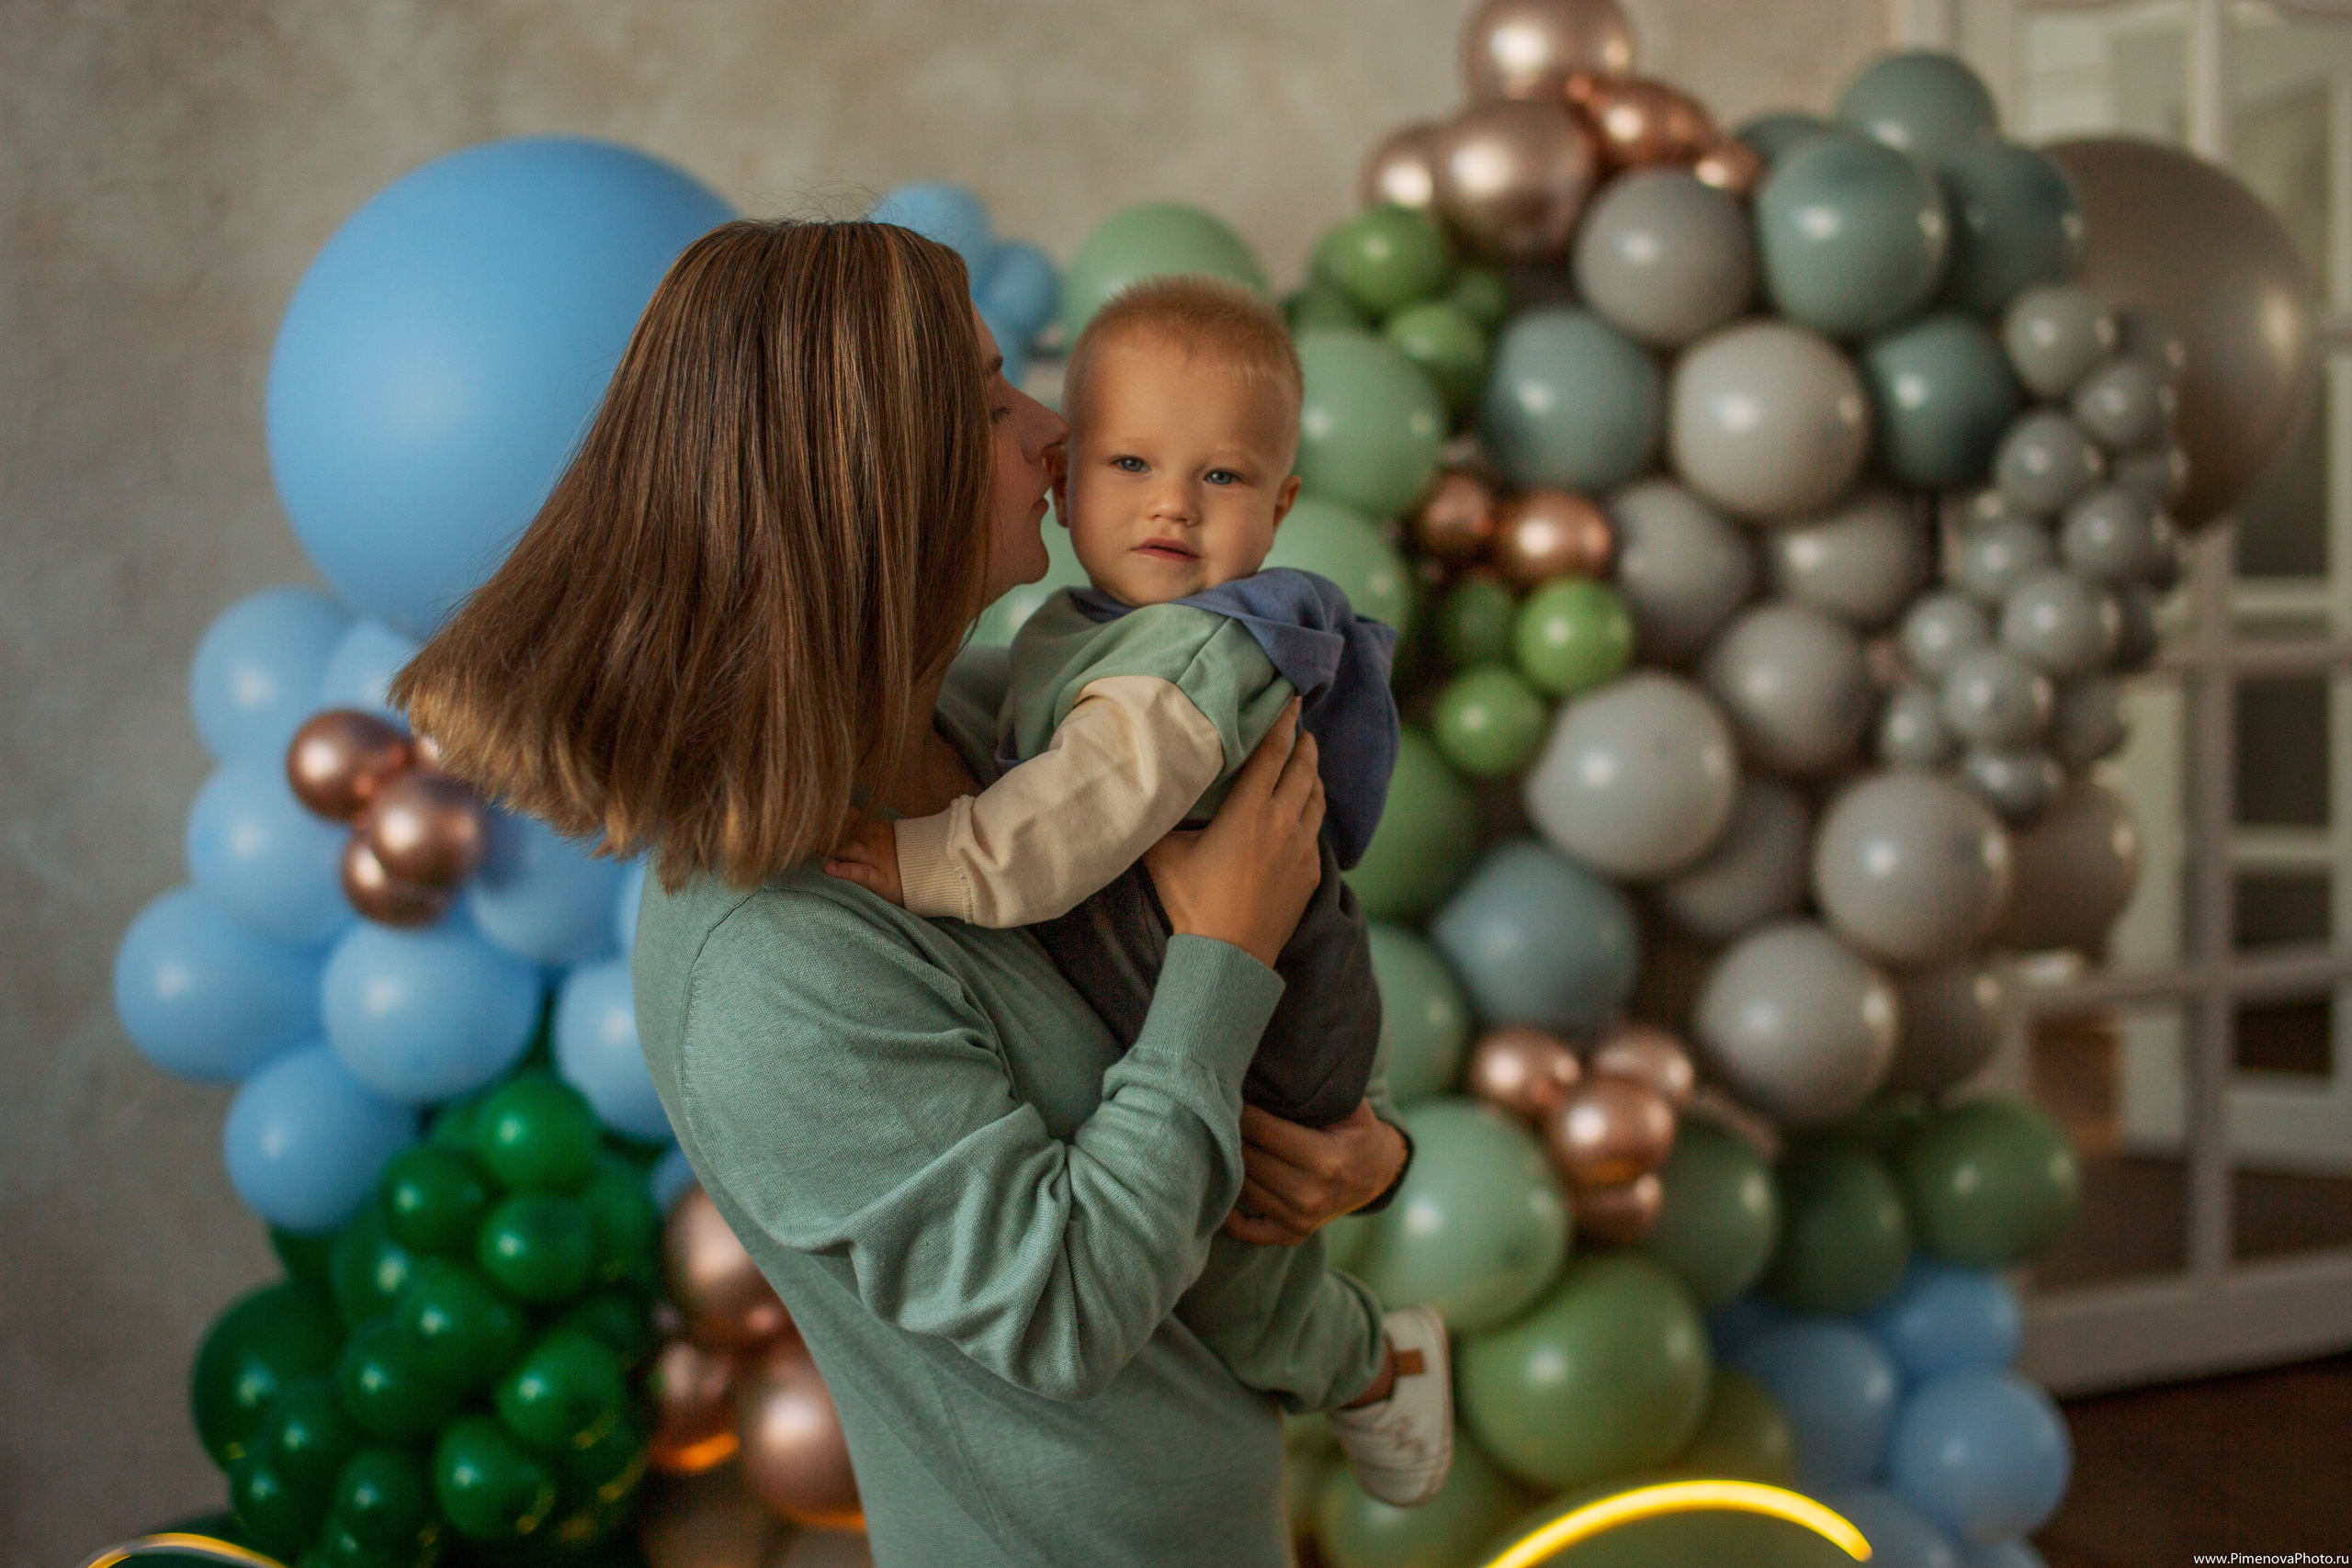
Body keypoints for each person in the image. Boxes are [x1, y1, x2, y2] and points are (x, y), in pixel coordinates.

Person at [390, 218, 1419, 1567]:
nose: (1054, 425)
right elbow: (1061, 1311)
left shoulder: (1011, 731)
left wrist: (1366, 1151)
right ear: (883, 490)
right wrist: (1224, 950)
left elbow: (1306, 959)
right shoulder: (765, 970)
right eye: (994, 400)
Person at [822, 276, 1450, 1505]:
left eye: (1220, 478)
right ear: (1067, 488)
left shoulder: (1193, 659)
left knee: (1234, 1289)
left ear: (1281, 506)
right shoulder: (1067, 636)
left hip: (1279, 1028)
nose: (1171, 502)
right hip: (1233, 980)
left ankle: (1378, 1366)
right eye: (1128, 461)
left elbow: (1073, 812)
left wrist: (924, 858)